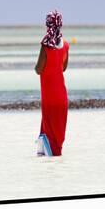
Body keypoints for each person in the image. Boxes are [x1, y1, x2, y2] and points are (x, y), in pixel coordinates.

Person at [34, 10, 69, 156]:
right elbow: (64, 67)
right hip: (62, 95)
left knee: (49, 130)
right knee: (57, 133)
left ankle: (49, 172)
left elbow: (38, 69)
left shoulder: (46, 45)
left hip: (49, 97)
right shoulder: (66, 45)